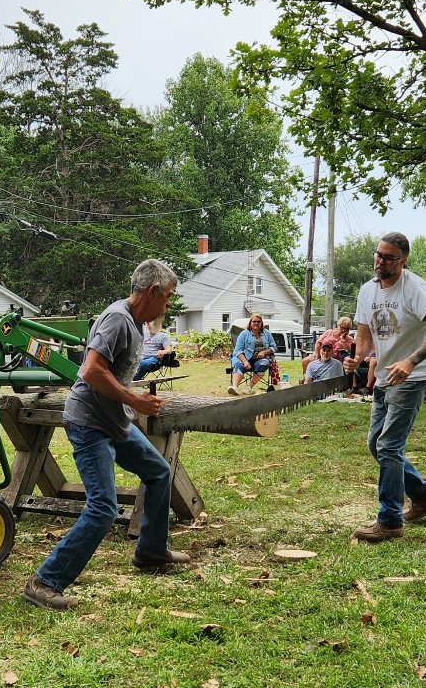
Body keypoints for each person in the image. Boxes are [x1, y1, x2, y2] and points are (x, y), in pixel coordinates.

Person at [22, 259, 190, 610]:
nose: (169, 304)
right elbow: (91, 370)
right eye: (168, 296)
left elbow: (113, 371)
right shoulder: (117, 319)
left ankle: (150, 552)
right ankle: (44, 582)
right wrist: (134, 400)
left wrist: (130, 400)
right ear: (152, 291)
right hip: (90, 425)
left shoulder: (136, 323)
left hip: (114, 422)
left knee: (159, 472)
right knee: (103, 508)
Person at [344, 232, 426, 543]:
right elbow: (364, 335)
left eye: (388, 257)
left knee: (389, 447)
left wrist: (410, 362)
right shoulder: (367, 291)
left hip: (412, 378)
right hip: (385, 376)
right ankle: (425, 497)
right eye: (378, 254)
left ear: (403, 261)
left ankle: (389, 521)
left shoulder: (415, 288)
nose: (380, 261)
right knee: (376, 445)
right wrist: (357, 358)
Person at [228, 315, 277, 395]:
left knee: (264, 363)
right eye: (254, 321)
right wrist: (245, 361)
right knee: (239, 364)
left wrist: (264, 352)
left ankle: (249, 388)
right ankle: (235, 388)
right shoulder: (244, 334)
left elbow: (274, 347)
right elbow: (238, 350)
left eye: (258, 321)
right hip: (244, 358)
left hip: (259, 360)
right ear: (250, 323)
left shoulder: (267, 333)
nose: (256, 323)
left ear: (261, 323)